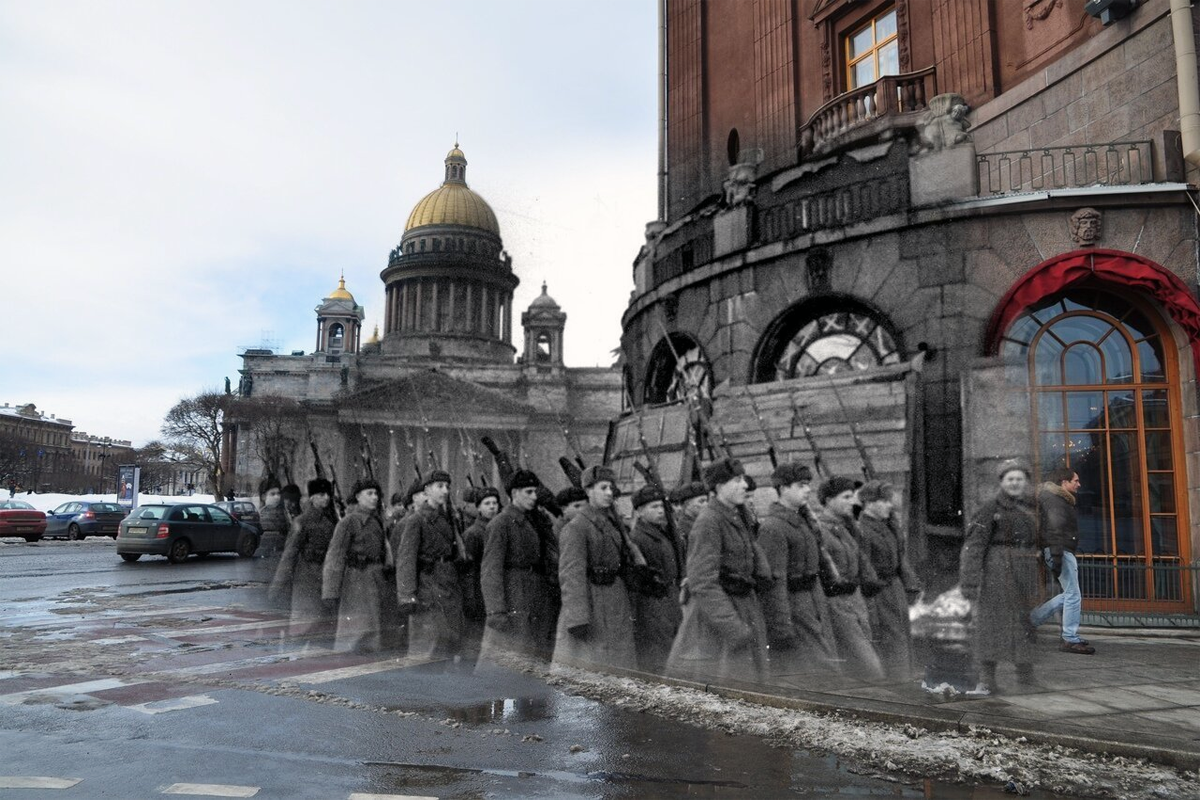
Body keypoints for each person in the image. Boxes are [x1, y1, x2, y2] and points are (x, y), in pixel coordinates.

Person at [666, 458, 771, 684]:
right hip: (717, 622)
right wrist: (732, 627)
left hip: (742, 608)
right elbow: (702, 582)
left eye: (743, 479)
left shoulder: (737, 515)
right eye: (736, 480)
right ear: (718, 487)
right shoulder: (709, 521)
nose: (744, 485)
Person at [959, 460, 1041, 692]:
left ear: (1026, 482)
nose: (1015, 483)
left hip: (1026, 570)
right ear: (1002, 482)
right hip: (998, 571)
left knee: (1026, 622)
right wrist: (970, 583)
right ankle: (987, 678)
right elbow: (973, 547)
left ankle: (1026, 677)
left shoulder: (1031, 507)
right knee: (994, 623)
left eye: (1019, 479)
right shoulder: (990, 509)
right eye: (1010, 479)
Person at [757, 463, 839, 677]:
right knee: (813, 671)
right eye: (801, 485)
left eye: (808, 485)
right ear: (783, 489)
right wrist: (781, 627)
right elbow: (774, 582)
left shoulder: (803, 522)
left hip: (814, 602)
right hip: (795, 609)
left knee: (825, 665)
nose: (808, 490)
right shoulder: (773, 528)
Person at [553, 465, 637, 671]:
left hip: (615, 602)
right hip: (592, 605)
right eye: (603, 487)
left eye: (611, 488)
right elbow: (571, 574)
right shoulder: (577, 527)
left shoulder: (613, 524)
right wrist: (577, 618)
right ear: (589, 491)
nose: (609, 492)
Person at [480, 471, 559, 662]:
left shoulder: (536, 522)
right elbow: (491, 569)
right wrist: (496, 611)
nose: (534, 496)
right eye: (529, 492)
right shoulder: (501, 523)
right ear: (515, 493)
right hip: (513, 596)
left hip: (534, 595)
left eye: (535, 492)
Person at [816, 475, 885, 681]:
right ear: (828, 500)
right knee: (870, 668)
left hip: (856, 602)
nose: (852, 502)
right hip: (836, 605)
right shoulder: (819, 530)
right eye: (846, 497)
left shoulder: (846, 528)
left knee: (863, 666)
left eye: (852, 497)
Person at [395, 470, 466, 662]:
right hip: (428, 587)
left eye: (447, 487)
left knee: (447, 641)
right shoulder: (416, 520)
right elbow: (406, 560)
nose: (445, 491)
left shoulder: (449, 518)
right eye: (440, 486)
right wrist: (406, 595)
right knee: (427, 646)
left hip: (448, 583)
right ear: (427, 490)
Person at [857, 480, 921, 680]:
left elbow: (900, 558)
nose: (889, 505)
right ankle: (896, 682)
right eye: (884, 501)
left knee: (901, 635)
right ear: (868, 503)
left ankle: (904, 677)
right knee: (890, 637)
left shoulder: (888, 527)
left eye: (889, 500)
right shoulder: (863, 530)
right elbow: (864, 568)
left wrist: (912, 585)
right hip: (879, 593)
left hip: (895, 589)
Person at [1030, 468, 1094, 654]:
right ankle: (1069, 639)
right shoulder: (1055, 501)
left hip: (1060, 550)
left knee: (1070, 594)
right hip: (1061, 550)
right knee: (1073, 595)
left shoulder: (1056, 499)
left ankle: (1031, 620)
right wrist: (1057, 555)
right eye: (1075, 480)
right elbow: (1055, 529)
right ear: (1063, 482)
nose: (1079, 484)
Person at [321, 477, 388, 652]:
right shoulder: (348, 522)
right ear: (358, 496)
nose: (374, 497)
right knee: (353, 633)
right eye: (369, 493)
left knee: (373, 631)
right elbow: (335, 557)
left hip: (375, 579)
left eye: (376, 494)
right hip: (355, 581)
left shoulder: (376, 522)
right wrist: (330, 592)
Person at [270, 478, 337, 637]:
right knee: (303, 629)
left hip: (324, 580)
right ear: (312, 497)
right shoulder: (302, 521)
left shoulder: (331, 522)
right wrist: (277, 586)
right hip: (306, 581)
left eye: (328, 494)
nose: (326, 497)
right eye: (321, 494)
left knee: (321, 631)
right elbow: (289, 555)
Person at [627, 484, 683, 674]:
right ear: (639, 512)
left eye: (661, 507)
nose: (660, 511)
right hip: (653, 604)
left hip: (670, 600)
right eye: (654, 507)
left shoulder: (662, 533)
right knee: (658, 657)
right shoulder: (638, 537)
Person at [462, 486, 500, 665]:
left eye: (495, 503)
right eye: (487, 503)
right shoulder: (473, 533)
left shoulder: (498, 528)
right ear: (478, 508)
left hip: (491, 591)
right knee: (474, 640)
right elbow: (468, 571)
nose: (492, 507)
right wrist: (470, 597)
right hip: (477, 592)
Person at [669, 481, 708, 560]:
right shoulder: (684, 528)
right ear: (687, 504)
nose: (706, 504)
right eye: (701, 501)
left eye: (707, 501)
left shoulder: (700, 523)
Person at [257, 476, 287, 558]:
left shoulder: (284, 512)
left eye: (278, 493)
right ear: (263, 496)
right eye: (272, 494)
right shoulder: (261, 515)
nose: (277, 497)